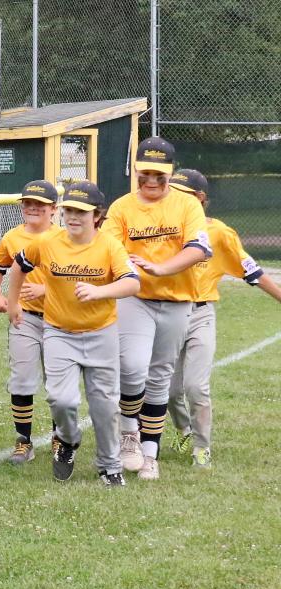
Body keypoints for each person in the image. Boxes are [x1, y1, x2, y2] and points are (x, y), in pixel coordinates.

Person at [8, 181, 140, 486]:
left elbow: (132, 283)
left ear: (97, 215)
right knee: (61, 399)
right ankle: (67, 440)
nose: (73, 216)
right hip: (59, 333)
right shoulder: (48, 243)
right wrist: (14, 303)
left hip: (101, 333)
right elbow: (18, 268)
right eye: (68, 210)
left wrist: (99, 291)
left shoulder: (109, 245)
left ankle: (109, 465)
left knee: (104, 406)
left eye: (81, 211)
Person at [101, 137, 210, 480]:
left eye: (159, 175)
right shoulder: (122, 208)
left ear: (171, 172)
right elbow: (109, 250)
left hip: (177, 300)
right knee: (132, 367)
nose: (151, 181)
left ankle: (151, 453)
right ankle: (129, 432)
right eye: (145, 173)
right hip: (137, 298)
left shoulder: (187, 206)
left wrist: (161, 268)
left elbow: (198, 248)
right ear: (136, 171)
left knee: (160, 376)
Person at [166, 169, 281, 468]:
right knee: (168, 390)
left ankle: (201, 448)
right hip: (166, 313)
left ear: (201, 199)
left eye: (184, 194)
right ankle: (184, 430)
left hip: (200, 314)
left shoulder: (217, 233)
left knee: (195, 387)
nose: (175, 198)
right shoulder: (163, 229)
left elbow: (252, 271)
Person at [0, 180, 61, 464]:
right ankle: (24, 440)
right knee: (21, 380)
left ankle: (59, 437)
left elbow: (77, 279)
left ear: (53, 209)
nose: (32, 208)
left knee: (57, 383)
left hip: (59, 319)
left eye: (40, 204)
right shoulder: (13, 236)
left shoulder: (64, 238)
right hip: (25, 317)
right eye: (28, 203)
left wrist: (47, 289)